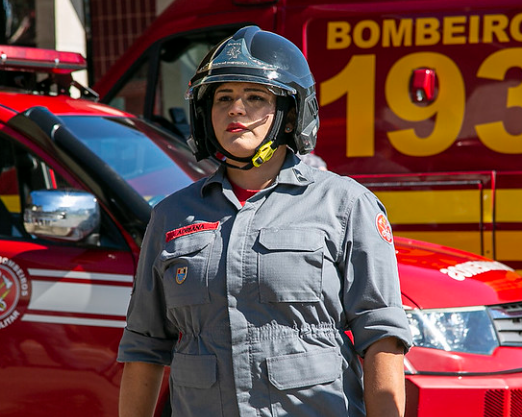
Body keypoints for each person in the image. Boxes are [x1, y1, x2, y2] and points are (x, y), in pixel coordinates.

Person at [117, 26, 412, 417]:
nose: (235, 109)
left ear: (290, 117)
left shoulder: (344, 204)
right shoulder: (170, 216)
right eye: (223, 98)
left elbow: (381, 337)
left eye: (254, 97)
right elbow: (145, 346)